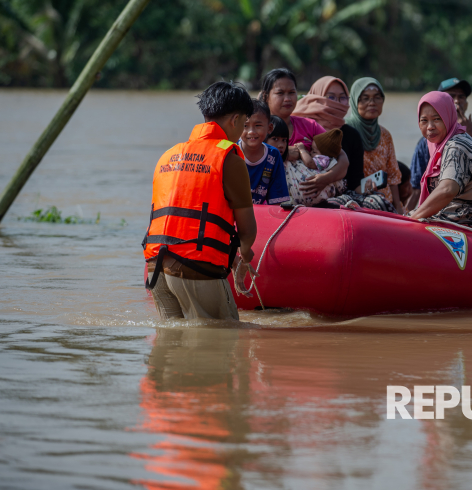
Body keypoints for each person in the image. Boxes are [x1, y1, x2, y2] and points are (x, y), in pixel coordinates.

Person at [142, 81, 257, 321]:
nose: (243, 133)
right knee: (222, 343)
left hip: (155, 268)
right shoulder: (229, 157)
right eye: (244, 124)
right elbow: (247, 231)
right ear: (234, 120)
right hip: (197, 270)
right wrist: (244, 257)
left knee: (170, 348)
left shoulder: (170, 154)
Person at [408, 91, 472, 230]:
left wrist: (411, 220)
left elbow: (447, 189)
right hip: (454, 217)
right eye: (424, 120)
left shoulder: (457, 145)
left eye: (437, 119)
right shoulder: (440, 144)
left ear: (448, 118)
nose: (430, 126)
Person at [258, 68, 350, 202]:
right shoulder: (257, 128)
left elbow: (342, 158)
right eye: (280, 93)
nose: (288, 98)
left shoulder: (310, 126)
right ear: (266, 97)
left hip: (316, 202)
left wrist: (324, 179)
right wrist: (283, 154)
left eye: (292, 92)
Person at [292, 76, 365, 192]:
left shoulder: (352, 135)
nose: (337, 102)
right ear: (316, 97)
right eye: (331, 97)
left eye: (342, 98)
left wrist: (368, 188)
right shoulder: (301, 126)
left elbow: (355, 181)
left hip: (341, 197)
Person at [344, 77, 404, 213]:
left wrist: (398, 208)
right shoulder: (346, 131)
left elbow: (393, 176)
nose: (372, 103)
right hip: (356, 202)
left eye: (377, 98)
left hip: (385, 202)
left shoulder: (385, 135)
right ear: (354, 101)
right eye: (365, 98)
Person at [239, 100, 289, 205]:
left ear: (269, 128)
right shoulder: (231, 151)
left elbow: (277, 199)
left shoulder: (273, 155)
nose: (251, 131)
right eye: (245, 126)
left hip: (260, 214)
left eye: (258, 125)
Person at [284, 128, 347, 206]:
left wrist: (302, 150)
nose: (310, 153)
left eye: (314, 151)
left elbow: (309, 163)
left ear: (324, 154)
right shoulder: (327, 157)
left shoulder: (323, 159)